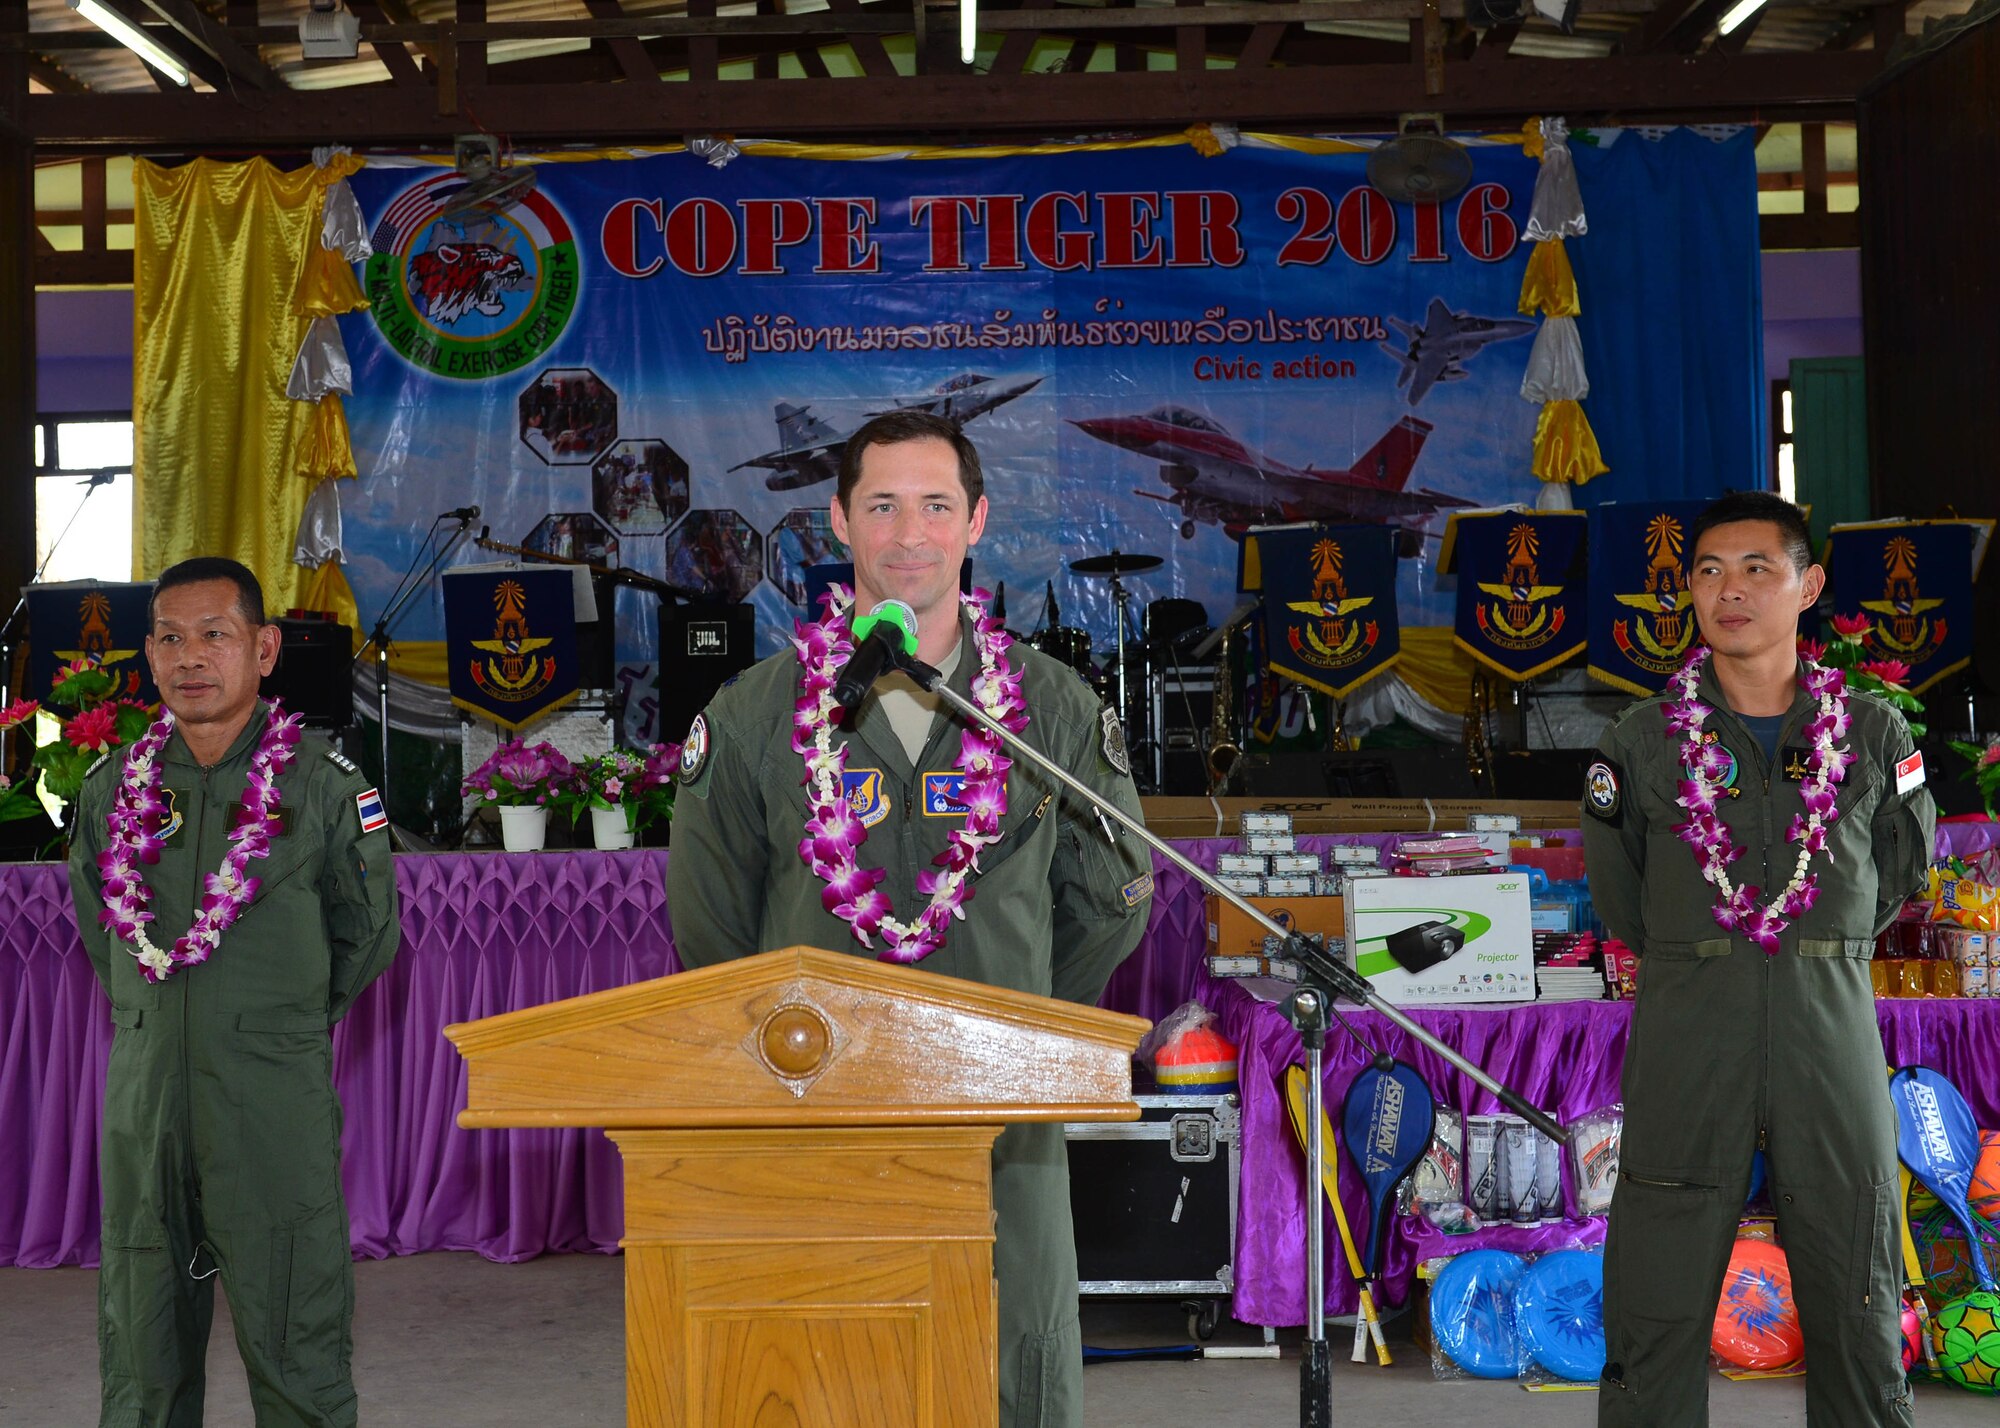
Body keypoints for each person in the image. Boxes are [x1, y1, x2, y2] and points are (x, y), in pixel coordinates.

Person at [668, 410, 1154, 1428]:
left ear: (975, 520)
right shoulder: (758, 712)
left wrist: (1011, 1027)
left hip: (1000, 1118)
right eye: (881, 505)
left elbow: (1111, 899)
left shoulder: (1052, 709)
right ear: (839, 522)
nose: (908, 534)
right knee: (827, 1364)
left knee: (1009, 1355)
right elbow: (711, 923)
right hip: (820, 1111)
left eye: (935, 505)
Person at [1581, 492, 1934, 1427]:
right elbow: (1622, 903)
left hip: (1831, 1036)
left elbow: (1901, 869)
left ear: (1808, 585)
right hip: (1690, 1036)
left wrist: (1818, 954)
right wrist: (1709, 956)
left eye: (1755, 569)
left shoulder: (1872, 736)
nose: (1728, 591)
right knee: (1656, 1288)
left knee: (1858, 1290)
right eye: (1706, 572)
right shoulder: (1641, 743)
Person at [68, 556, 401, 1427]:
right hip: (147, 1109)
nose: (191, 658)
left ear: (263, 649)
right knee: (142, 1356)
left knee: (297, 1343)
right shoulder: (113, 792)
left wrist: (266, 1025)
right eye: (171, 639)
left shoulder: (326, 789)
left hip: (269, 1101)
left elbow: (363, 937)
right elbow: (101, 936)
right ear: (147, 655)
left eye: (215, 635)